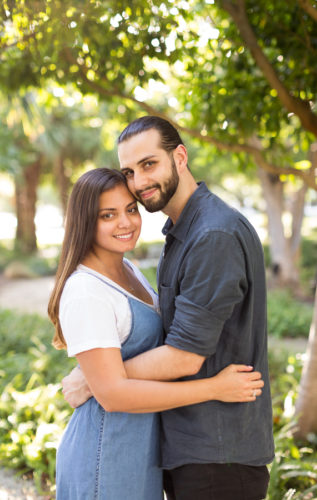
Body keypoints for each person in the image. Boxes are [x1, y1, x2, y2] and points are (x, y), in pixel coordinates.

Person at [61, 116, 275, 499]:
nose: (140, 181)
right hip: (182, 449)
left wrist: (93, 381)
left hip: (218, 452)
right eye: (130, 170)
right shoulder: (181, 234)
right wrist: (102, 381)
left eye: (149, 164)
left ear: (179, 156)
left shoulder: (213, 235)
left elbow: (183, 357)